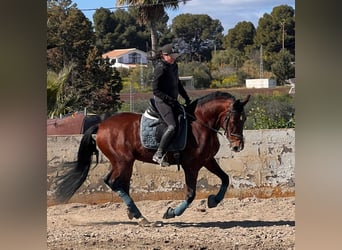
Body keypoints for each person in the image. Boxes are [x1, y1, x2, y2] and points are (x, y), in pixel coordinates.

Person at [151, 43, 191, 166]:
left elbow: (178, 84)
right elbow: (155, 90)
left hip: (173, 101)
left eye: (175, 56)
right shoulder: (160, 68)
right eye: (172, 56)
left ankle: (175, 150)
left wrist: (186, 98)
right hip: (161, 101)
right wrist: (169, 100)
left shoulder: (174, 66)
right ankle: (158, 153)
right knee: (172, 126)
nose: (174, 58)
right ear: (164, 56)